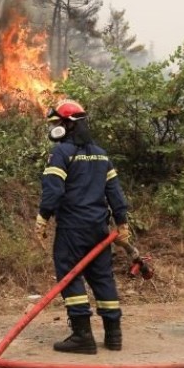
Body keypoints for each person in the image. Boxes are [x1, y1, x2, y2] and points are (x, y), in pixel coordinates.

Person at [36, 99, 130, 354]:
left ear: (69, 124)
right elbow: (115, 192)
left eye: (58, 123)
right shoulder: (101, 153)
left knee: (70, 275)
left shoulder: (61, 153)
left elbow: (53, 189)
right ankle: (114, 335)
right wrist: (122, 222)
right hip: (99, 230)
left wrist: (43, 217)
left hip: (72, 229)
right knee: (102, 278)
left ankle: (82, 336)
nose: (55, 128)